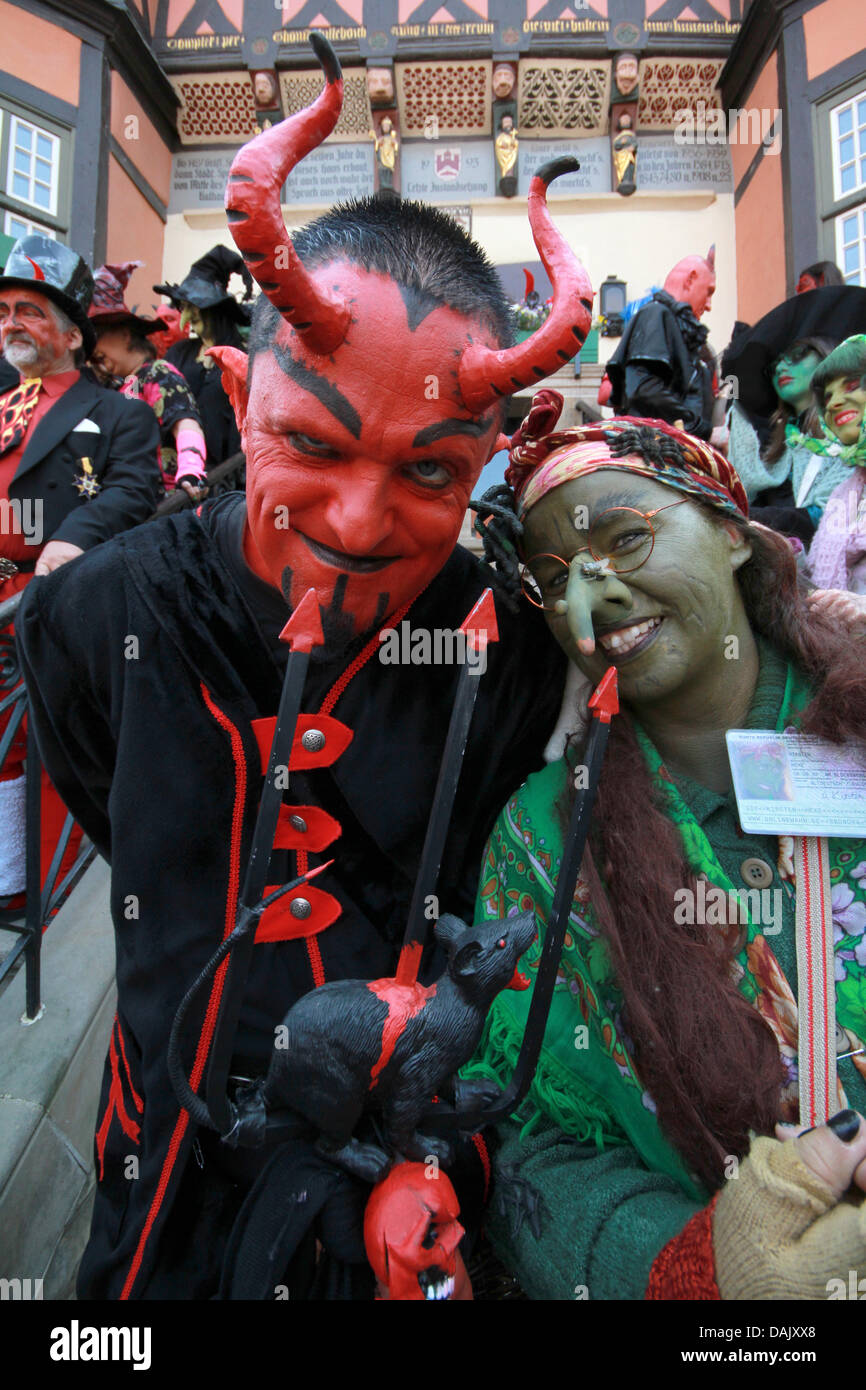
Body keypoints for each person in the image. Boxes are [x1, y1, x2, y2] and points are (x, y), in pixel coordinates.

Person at [16, 38, 595, 1299]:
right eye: (309, 444)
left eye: (430, 471)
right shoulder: (94, 614)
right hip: (158, 1144)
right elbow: (107, 794)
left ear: (487, 458)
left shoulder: (507, 660)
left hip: (400, 1176)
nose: (353, 518)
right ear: (244, 389)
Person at [467, 404, 866, 1299]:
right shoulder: (540, 842)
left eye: (626, 536)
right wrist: (697, 1270)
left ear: (729, 530)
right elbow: (532, 1144)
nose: (589, 596)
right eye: (552, 576)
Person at [0, 234, 160, 902]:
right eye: (5, 310)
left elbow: (133, 489)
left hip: (47, 597)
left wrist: (70, 538)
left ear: (70, 336)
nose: (11, 322)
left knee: (29, 745)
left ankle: (26, 882)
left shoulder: (116, 411)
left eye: (30, 311)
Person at [88, 262, 207, 499]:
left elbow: (185, 422)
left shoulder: (158, 373)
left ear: (124, 333)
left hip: (161, 500)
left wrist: (191, 469)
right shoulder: (113, 385)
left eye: (98, 335)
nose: (93, 348)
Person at [154, 246, 253, 469]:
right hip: (179, 474)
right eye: (185, 306)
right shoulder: (178, 354)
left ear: (216, 309)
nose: (189, 313)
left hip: (225, 476)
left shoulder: (243, 357)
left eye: (195, 306)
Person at [606, 248, 716, 439]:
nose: (709, 304)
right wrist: (701, 429)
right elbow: (644, 389)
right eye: (709, 292)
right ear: (690, 280)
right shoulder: (656, 314)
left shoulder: (668, 320)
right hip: (658, 451)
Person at [805, 335, 866, 595]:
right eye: (827, 396)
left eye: (851, 386)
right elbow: (814, 590)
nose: (834, 403)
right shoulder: (842, 494)